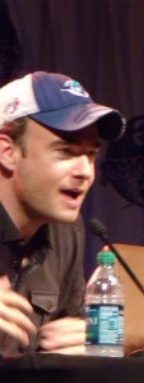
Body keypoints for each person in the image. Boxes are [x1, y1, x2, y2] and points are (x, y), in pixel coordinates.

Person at [0, 71, 125, 358]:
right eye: (66, 152)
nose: (85, 171)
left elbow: (69, 329)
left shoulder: (66, 231)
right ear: (8, 152)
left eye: (91, 155)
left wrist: (84, 344)